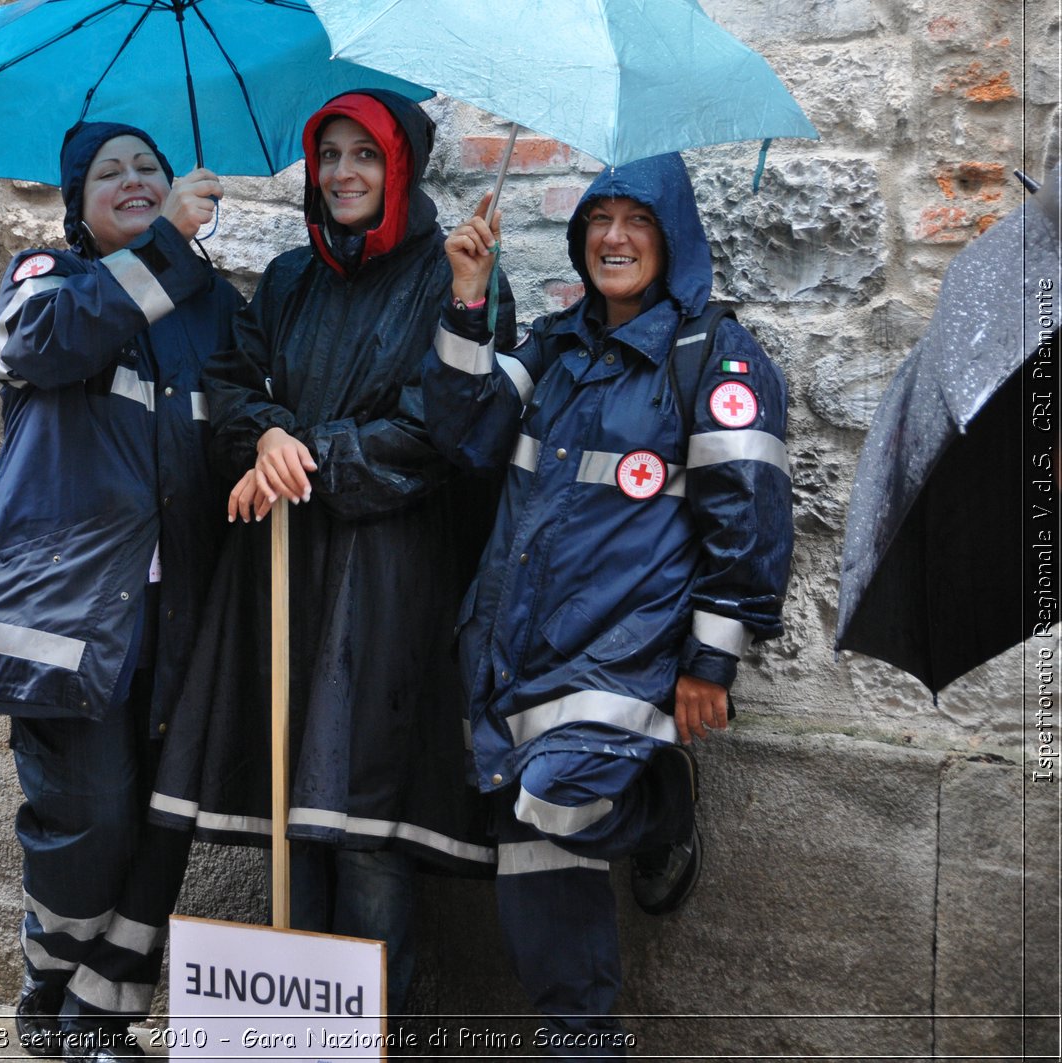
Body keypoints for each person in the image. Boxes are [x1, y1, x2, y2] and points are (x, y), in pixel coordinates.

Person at [148, 89, 515, 1017]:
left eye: (365, 156)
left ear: (400, 168)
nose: (343, 174)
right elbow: (234, 384)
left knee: (368, 819)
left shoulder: (456, 276)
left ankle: (364, 1030)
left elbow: (442, 433)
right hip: (283, 572)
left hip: (387, 577)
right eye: (330, 155)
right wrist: (267, 433)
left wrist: (306, 457)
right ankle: (287, 1034)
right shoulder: (286, 279)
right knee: (289, 808)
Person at [422, 153, 793, 1056]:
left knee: (555, 801)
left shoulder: (714, 354)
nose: (614, 238)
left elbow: (748, 512)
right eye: (600, 219)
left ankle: (660, 804)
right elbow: (463, 433)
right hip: (520, 642)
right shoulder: (552, 344)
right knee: (527, 830)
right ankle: (579, 1033)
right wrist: (470, 300)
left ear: (673, 240)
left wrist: (712, 660)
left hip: (628, 647)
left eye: (638, 221)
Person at [0, 121, 242, 1063]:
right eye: (111, 172)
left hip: (179, 609)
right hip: (67, 621)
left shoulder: (213, 305)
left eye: (150, 168)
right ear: (78, 202)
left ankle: (102, 1018)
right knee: (91, 811)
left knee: (161, 817)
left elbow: (235, 414)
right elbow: (48, 346)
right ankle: (51, 992)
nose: (136, 180)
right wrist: (166, 244)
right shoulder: (43, 281)